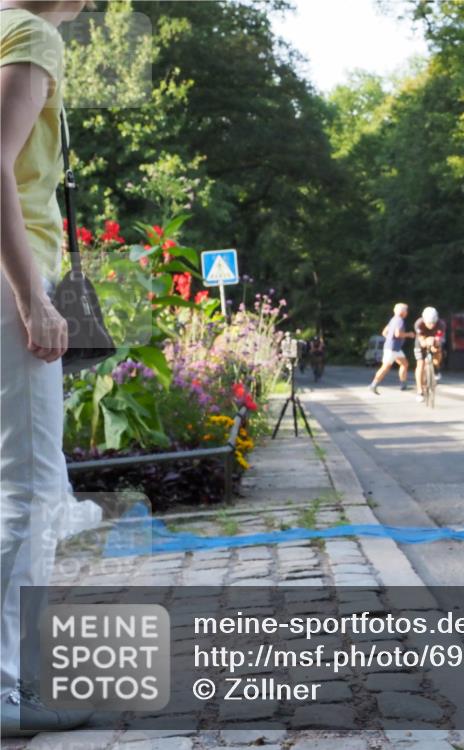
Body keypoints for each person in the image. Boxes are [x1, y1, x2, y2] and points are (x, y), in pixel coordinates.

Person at [1, 0, 95, 735]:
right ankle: (9, 689)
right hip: (11, 286)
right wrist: (35, 299)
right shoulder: (32, 34)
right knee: (31, 489)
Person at [369, 302, 413, 395]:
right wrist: (409, 334)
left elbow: (384, 332)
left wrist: (389, 339)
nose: (407, 313)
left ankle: (403, 384)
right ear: (402, 312)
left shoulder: (393, 319)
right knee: (385, 367)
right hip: (392, 348)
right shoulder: (400, 320)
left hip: (395, 348)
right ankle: (373, 384)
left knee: (404, 364)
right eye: (406, 311)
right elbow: (398, 334)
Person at [413, 306, 443, 402]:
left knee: (438, 351)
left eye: (433, 323)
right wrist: (427, 342)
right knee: (420, 364)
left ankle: (436, 369)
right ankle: (419, 391)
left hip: (434, 339)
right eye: (429, 323)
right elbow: (422, 342)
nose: (431, 325)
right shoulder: (419, 323)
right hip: (422, 341)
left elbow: (438, 339)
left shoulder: (441, 324)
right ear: (424, 320)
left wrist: (435, 345)